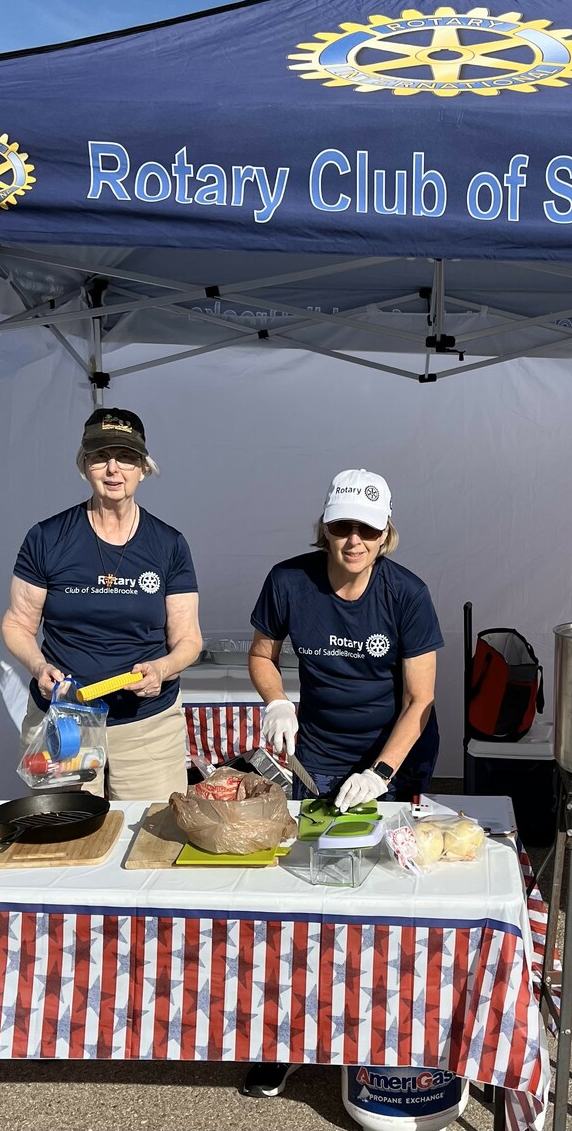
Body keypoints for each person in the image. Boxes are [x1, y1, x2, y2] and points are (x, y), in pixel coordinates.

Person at [242, 468, 442, 1098]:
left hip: (397, 759)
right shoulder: (289, 581)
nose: (352, 540)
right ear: (324, 528)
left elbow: (421, 701)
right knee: (306, 898)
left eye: (367, 529)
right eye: (341, 526)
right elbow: (261, 654)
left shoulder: (407, 594)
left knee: (392, 895)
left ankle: (394, 1027)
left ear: (386, 535)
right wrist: (277, 701)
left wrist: (381, 773)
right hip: (318, 758)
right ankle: (287, 1038)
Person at [1, 408, 202, 800]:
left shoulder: (169, 544)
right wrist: (38, 665)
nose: (113, 469)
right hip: (63, 722)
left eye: (125, 457)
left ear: (143, 468)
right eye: (100, 456)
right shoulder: (47, 538)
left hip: (146, 727)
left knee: (150, 839)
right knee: (63, 839)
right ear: (84, 465)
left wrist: (162, 668)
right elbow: (17, 624)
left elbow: (189, 639)